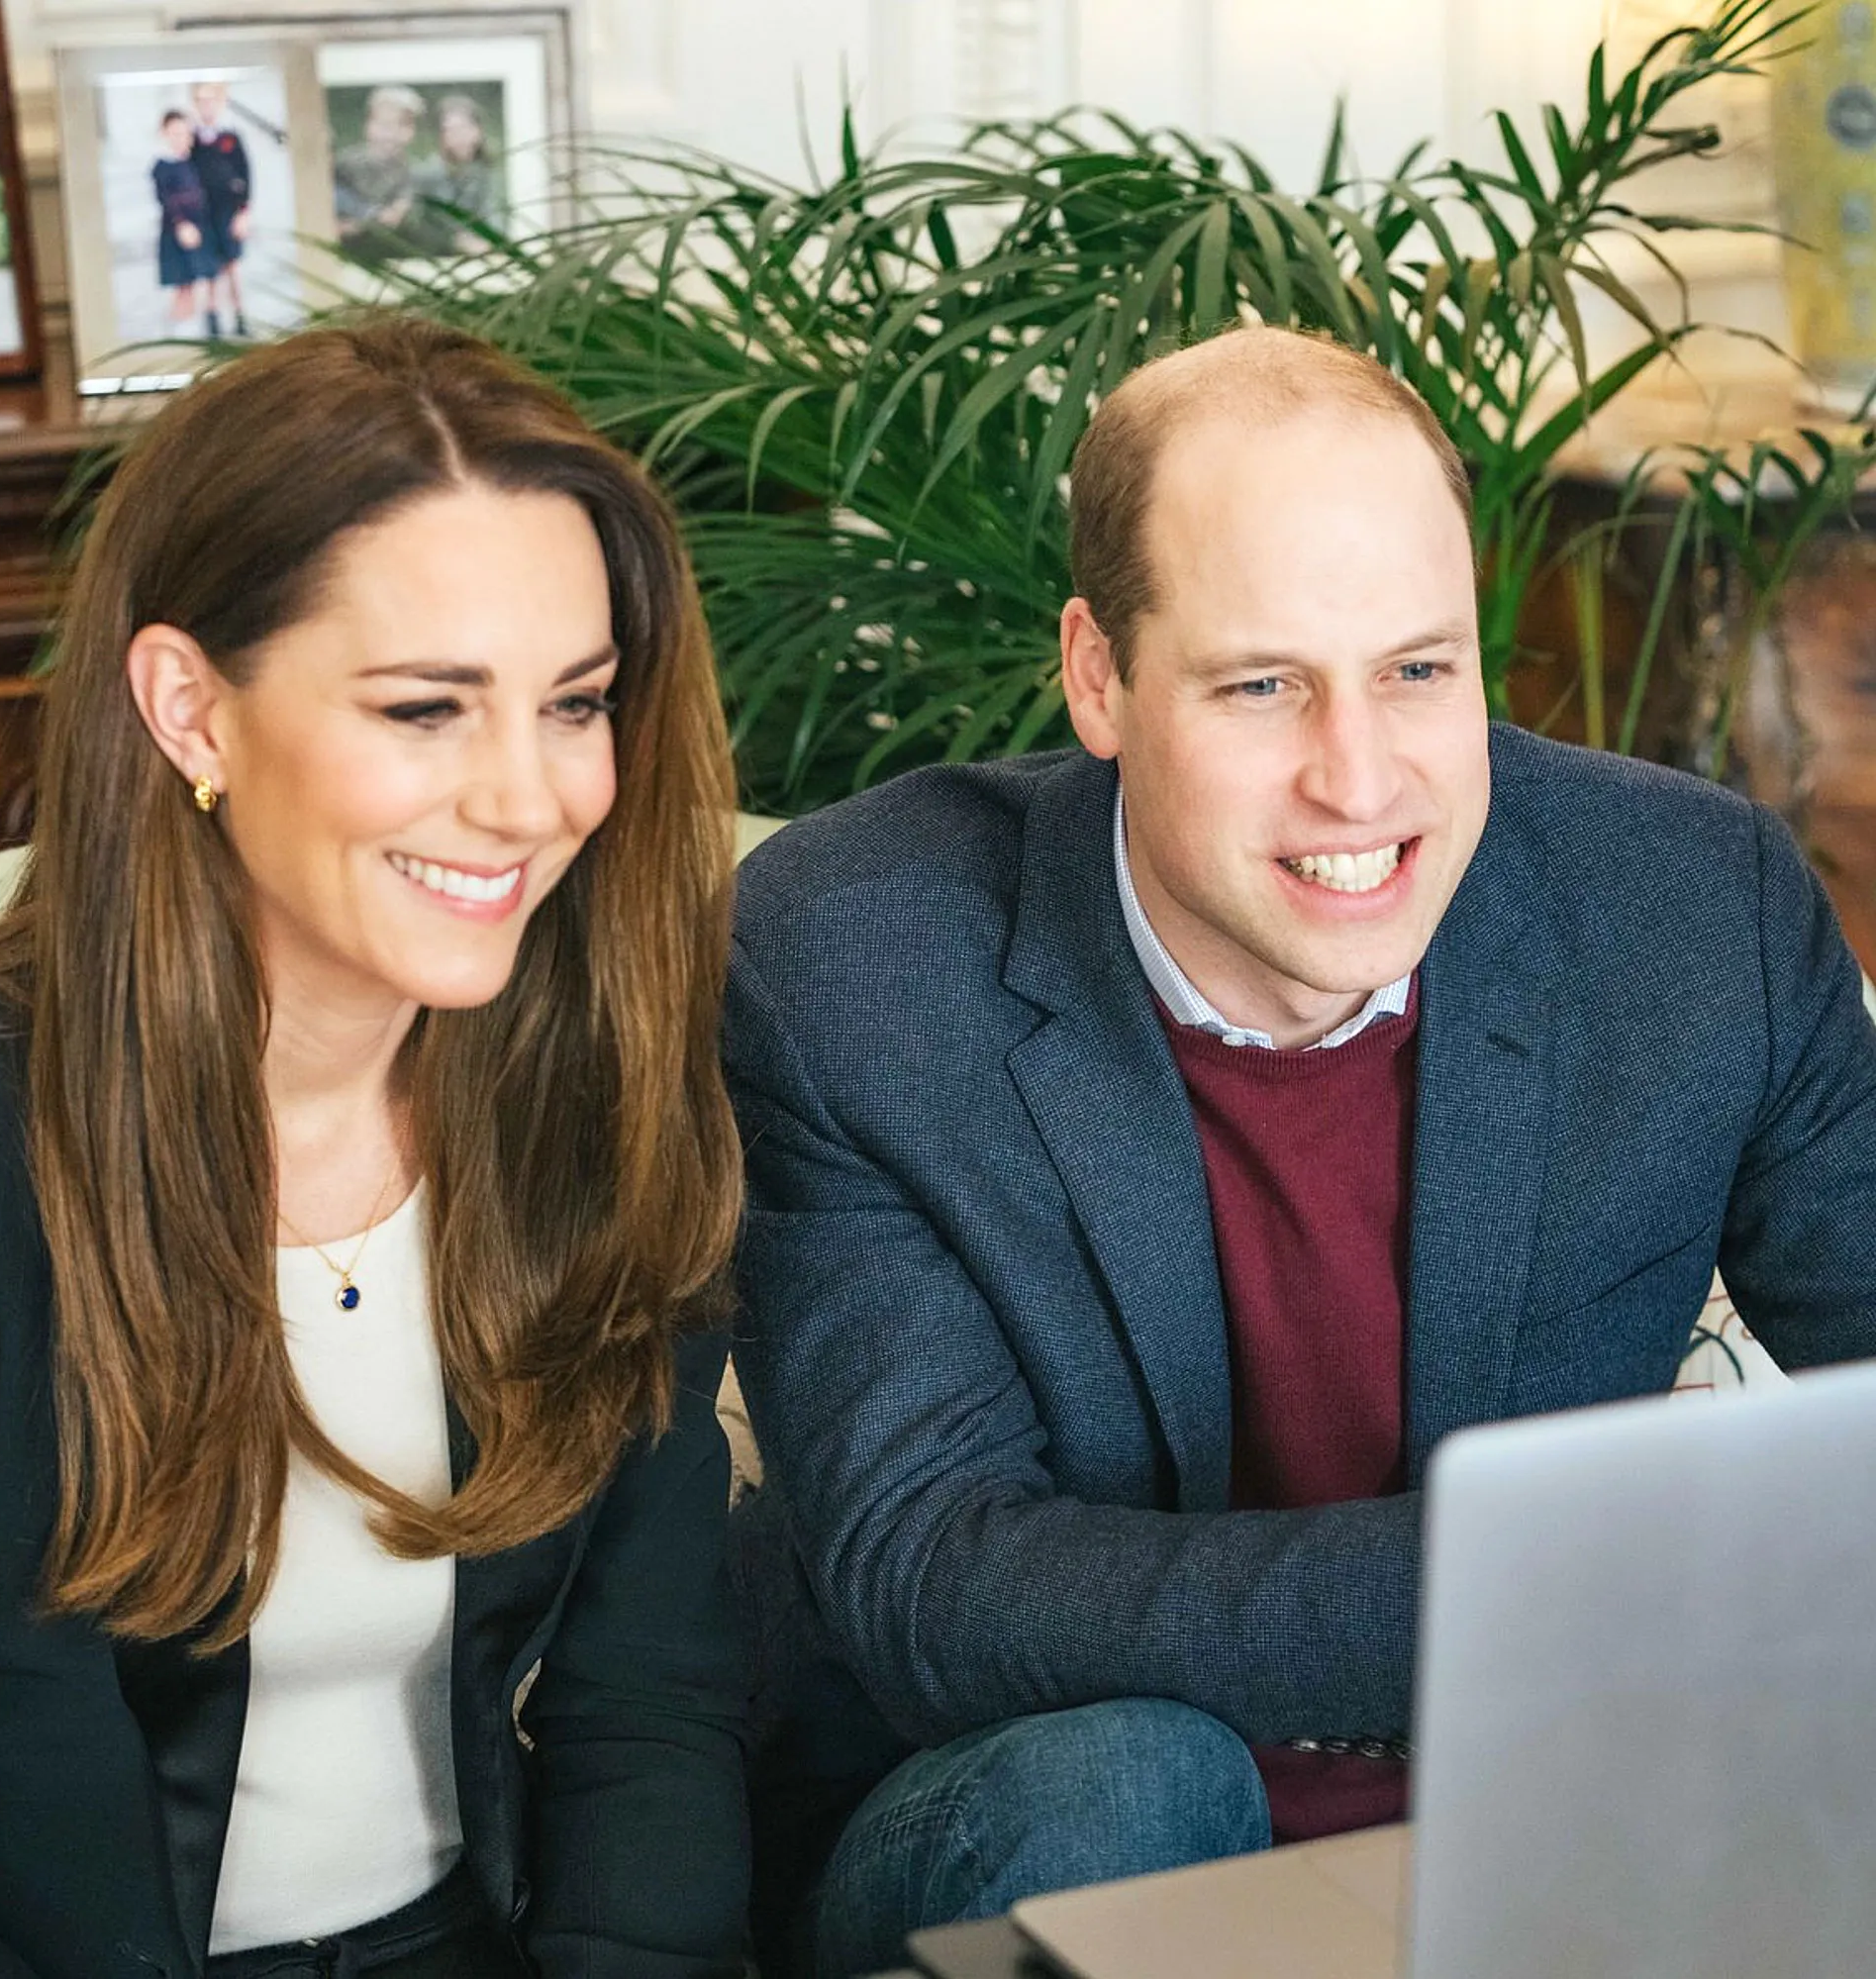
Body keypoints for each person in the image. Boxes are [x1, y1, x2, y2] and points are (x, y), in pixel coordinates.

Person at [723, 324, 1876, 1978]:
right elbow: (934, 1586)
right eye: (1262, 683)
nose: (1361, 776)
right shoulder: (861, 955)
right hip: (1040, 1814)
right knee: (1139, 1770)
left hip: (1552, 1811)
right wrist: (1561, 1580)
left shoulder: (1691, 907)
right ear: (1099, 675)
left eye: (1419, 669)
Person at [0, 315, 749, 1978]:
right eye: (427, 708)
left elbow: (646, 1707)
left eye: (575, 702)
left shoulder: (601, 1086)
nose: (528, 796)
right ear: (189, 710)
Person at [335, 84, 425, 266]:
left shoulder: (412, 171)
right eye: (384, 125)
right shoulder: (344, 163)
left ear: (412, 131)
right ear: (368, 126)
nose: (391, 134)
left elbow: (399, 215)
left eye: (402, 125)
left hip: (393, 255)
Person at [188, 78, 250, 338]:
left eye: (211, 99)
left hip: (228, 211)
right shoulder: (192, 140)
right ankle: (212, 318)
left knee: (232, 266)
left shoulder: (231, 138)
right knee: (210, 269)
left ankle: (239, 317)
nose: (207, 105)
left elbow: (246, 176)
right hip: (204, 213)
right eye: (201, 100)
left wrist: (243, 213)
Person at [151, 110, 221, 336]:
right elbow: (166, 199)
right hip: (178, 232)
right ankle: (178, 329)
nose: (181, 138)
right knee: (182, 285)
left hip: (201, 227)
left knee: (198, 280)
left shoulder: (194, 162)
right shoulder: (163, 166)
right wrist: (182, 225)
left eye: (184, 133)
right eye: (175, 133)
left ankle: (195, 325)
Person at [410, 93, 503, 257]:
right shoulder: (427, 174)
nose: (460, 137)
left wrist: (489, 242)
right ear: (440, 137)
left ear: (478, 131)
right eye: (450, 130)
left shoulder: (484, 172)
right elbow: (424, 227)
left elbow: (493, 216)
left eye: (465, 128)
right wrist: (458, 242)